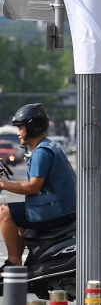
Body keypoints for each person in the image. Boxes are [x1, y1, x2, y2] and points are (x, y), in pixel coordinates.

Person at [0, 103, 76, 270]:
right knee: (19, 217)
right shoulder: (48, 146)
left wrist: (4, 185)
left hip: (58, 211)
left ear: (32, 127)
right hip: (64, 207)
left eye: (21, 127)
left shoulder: (41, 152)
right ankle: (22, 263)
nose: (18, 132)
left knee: (5, 210)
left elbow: (32, 187)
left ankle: (13, 262)